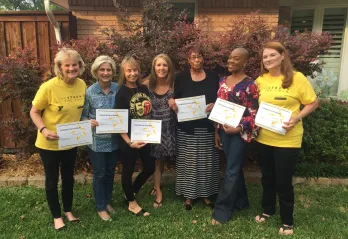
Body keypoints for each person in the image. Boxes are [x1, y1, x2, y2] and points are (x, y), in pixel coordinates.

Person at [254, 42, 319, 235]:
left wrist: (296, 117)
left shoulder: (297, 78)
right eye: (265, 57)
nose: (268, 60)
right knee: (267, 178)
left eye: (272, 55)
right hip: (264, 138)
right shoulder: (260, 80)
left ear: (283, 56)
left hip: (288, 139)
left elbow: (313, 102)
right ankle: (268, 210)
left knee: (283, 180)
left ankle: (287, 220)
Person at [30, 48, 86, 230]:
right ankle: (56, 215)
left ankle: (68, 210)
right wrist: (44, 130)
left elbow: (79, 112)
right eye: (67, 65)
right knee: (52, 180)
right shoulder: (48, 87)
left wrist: (88, 123)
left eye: (74, 64)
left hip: (70, 142)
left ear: (80, 65)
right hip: (49, 143)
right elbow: (34, 112)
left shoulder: (82, 85)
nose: (71, 68)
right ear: (59, 67)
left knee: (69, 178)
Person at [211, 48, 259, 225]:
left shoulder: (250, 84)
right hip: (224, 132)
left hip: (240, 133)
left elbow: (254, 112)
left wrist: (238, 128)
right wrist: (217, 131)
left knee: (231, 169)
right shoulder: (223, 80)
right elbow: (219, 106)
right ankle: (242, 201)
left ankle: (222, 211)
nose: (230, 60)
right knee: (234, 167)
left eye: (236, 58)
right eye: (230, 57)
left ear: (244, 62)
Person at [169, 46, 219, 210]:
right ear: (188, 60)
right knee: (188, 162)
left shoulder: (213, 77)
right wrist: (174, 105)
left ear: (203, 59)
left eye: (199, 57)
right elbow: (175, 98)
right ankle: (188, 196)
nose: (197, 60)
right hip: (187, 128)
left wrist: (215, 105)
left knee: (206, 162)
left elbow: (220, 98)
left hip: (207, 126)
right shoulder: (181, 77)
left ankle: (206, 194)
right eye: (193, 57)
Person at [115, 56, 155, 216]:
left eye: (135, 70)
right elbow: (119, 122)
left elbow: (147, 112)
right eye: (129, 70)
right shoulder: (121, 93)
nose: (132, 73)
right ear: (123, 73)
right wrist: (129, 141)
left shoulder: (143, 89)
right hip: (128, 139)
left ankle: (130, 191)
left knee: (150, 167)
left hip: (144, 135)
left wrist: (152, 132)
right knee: (128, 170)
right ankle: (131, 203)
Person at [81, 55, 119, 221]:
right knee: (100, 173)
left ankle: (108, 201)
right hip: (97, 142)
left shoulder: (118, 89)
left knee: (110, 172)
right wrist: (89, 121)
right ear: (96, 72)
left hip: (114, 140)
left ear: (113, 72)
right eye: (102, 70)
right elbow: (82, 116)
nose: (105, 72)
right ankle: (100, 207)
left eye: (108, 69)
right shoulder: (90, 92)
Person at [143, 54, 176, 208]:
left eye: (165, 65)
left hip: (171, 128)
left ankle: (157, 185)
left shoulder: (174, 84)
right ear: (153, 67)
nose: (162, 68)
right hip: (154, 129)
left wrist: (175, 105)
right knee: (157, 161)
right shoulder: (147, 85)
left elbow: (185, 105)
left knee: (163, 160)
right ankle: (158, 190)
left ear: (169, 67)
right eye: (158, 65)